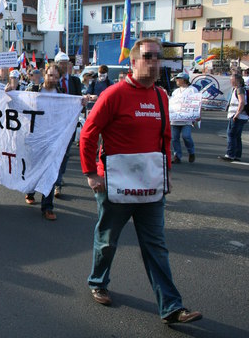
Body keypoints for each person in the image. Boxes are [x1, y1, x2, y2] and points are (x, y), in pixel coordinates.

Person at [79, 38, 202, 324]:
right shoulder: (114, 94)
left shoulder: (161, 95)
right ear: (133, 62)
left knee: (156, 245)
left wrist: (166, 172)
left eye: (158, 57)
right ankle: (98, 281)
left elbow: (165, 138)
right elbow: (88, 134)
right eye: (148, 56)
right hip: (114, 185)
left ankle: (171, 306)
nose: (155, 61)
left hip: (150, 186)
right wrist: (91, 174)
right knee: (107, 240)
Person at [23, 65, 65, 220]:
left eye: (55, 76)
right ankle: (30, 191)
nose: (52, 79)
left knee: (50, 171)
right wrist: (11, 91)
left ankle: (47, 207)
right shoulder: (34, 90)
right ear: (44, 74)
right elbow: (19, 102)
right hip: (35, 137)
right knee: (34, 168)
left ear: (59, 78)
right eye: (50, 75)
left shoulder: (61, 94)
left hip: (53, 138)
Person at [54, 52, 83, 197]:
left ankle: (58, 181)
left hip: (69, 124)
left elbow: (79, 101)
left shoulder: (75, 81)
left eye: (66, 63)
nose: (64, 66)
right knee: (53, 153)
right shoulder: (52, 81)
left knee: (65, 154)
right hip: (54, 125)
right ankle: (54, 180)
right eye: (61, 63)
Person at [170, 72, 199, 163]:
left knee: (186, 136)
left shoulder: (192, 90)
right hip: (176, 118)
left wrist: (197, 115)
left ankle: (191, 151)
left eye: (178, 78)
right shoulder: (175, 91)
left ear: (184, 80)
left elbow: (197, 103)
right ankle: (177, 156)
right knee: (175, 138)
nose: (177, 80)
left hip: (187, 118)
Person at [219, 73, 248, 161]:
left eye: (232, 80)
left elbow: (242, 102)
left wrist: (237, 114)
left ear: (237, 81)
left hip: (237, 116)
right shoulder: (240, 89)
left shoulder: (239, 90)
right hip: (242, 116)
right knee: (237, 136)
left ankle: (230, 154)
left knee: (231, 135)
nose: (230, 81)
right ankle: (236, 155)